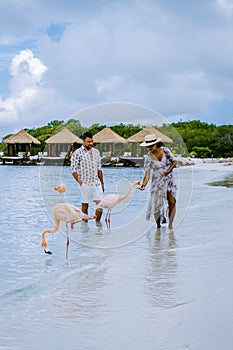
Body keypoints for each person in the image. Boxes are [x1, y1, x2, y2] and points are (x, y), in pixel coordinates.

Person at [139, 134, 177, 229]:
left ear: (156, 144)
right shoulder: (148, 157)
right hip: (157, 181)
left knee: (172, 202)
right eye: (148, 146)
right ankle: (158, 227)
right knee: (156, 204)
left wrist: (168, 171)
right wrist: (143, 185)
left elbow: (174, 162)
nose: (150, 147)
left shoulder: (165, 150)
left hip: (169, 179)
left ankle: (170, 225)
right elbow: (147, 174)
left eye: (151, 145)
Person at [71, 131, 104, 221]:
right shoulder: (77, 153)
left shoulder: (96, 152)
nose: (91, 143)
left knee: (100, 205)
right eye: (89, 142)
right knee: (85, 205)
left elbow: (99, 170)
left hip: (96, 183)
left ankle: (98, 227)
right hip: (84, 183)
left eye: (92, 141)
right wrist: (81, 183)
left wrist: (102, 184)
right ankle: (85, 229)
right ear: (83, 141)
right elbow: (73, 170)